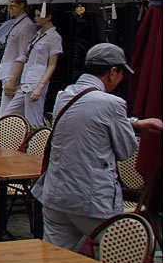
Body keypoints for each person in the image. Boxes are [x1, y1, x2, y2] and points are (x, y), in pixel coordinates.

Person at [32, 43, 163, 252]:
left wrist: (134, 123)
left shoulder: (64, 96)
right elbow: (126, 150)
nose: (121, 80)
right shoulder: (113, 103)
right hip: (91, 200)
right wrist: (130, 125)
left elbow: (87, 117)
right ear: (112, 72)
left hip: (56, 195)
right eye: (121, 74)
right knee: (121, 257)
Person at [6, 7, 63, 128]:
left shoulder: (54, 37)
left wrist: (40, 86)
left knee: (33, 118)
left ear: (48, 17)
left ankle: (37, 144)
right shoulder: (37, 35)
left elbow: (52, 64)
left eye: (39, 15)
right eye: (35, 15)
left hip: (37, 80)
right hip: (26, 80)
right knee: (8, 113)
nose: (36, 18)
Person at [0, 0, 36, 117]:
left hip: (14, 75)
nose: (9, 9)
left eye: (13, 6)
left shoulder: (27, 26)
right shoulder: (15, 24)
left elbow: (23, 55)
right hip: (6, 72)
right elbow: (8, 53)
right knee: (4, 113)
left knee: (8, 115)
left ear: (22, 5)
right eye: (9, 6)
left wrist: (13, 78)